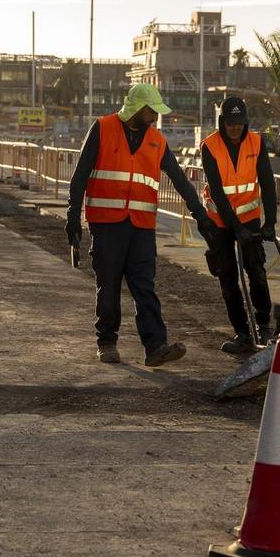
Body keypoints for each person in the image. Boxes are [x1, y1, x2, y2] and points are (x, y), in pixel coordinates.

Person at [66, 84, 216, 367]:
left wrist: (200, 214)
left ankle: (156, 346)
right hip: (107, 224)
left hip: (142, 226)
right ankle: (107, 342)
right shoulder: (102, 128)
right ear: (137, 109)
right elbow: (79, 176)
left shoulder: (157, 140)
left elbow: (179, 180)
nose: (155, 118)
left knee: (144, 285)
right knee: (108, 284)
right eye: (151, 112)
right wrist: (73, 217)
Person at [199, 97, 279, 354]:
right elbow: (217, 192)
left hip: (249, 215)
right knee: (228, 277)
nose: (236, 128)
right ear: (223, 122)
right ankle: (242, 333)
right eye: (231, 123)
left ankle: (265, 326)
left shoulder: (256, 142)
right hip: (219, 220)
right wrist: (235, 226)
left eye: (240, 123)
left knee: (255, 268)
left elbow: (267, 182)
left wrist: (271, 222)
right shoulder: (209, 146)